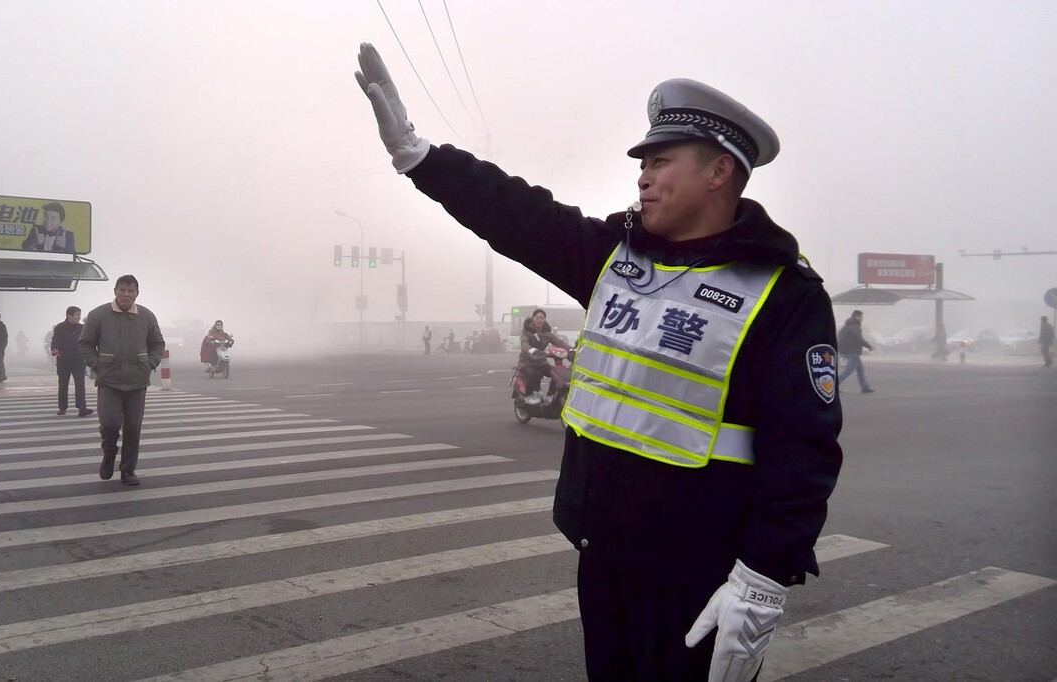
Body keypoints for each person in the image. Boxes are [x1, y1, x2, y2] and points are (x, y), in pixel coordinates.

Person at [355, 44, 843, 681]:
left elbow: (803, 449)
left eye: (661, 162)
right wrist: (419, 157)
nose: (643, 177)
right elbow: (518, 214)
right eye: (643, 163)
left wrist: (764, 577)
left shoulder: (783, 293)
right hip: (603, 552)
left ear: (719, 172)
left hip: (698, 573)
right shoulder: (616, 256)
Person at [78, 275, 165, 486]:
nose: (126, 294)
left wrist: (150, 363)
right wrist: (96, 364)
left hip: (137, 381)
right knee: (110, 424)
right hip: (109, 381)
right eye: (122, 290)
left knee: (133, 427)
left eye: (131, 290)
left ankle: (128, 470)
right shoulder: (99, 315)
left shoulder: (146, 316)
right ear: (115, 291)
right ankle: (109, 455)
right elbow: (85, 343)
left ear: (137, 293)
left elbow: (157, 344)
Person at [517, 308, 572, 405]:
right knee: (535, 374)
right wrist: (531, 350)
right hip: (527, 362)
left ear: (544, 320)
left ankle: (551, 394)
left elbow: (560, 343)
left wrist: (572, 349)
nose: (539, 320)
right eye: (537, 318)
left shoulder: (547, 333)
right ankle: (530, 395)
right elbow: (524, 344)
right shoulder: (526, 332)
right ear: (533, 319)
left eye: (541, 318)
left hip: (541, 361)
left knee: (556, 373)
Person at [52, 306, 94, 417]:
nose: (79, 317)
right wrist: (55, 349)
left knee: (80, 384)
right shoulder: (60, 328)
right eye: (77, 315)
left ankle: (82, 408)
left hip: (79, 360)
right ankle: (62, 407)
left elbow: (86, 342)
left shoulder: (82, 328)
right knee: (63, 384)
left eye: (80, 315)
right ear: (69, 315)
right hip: (63, 360)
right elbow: (55, 340)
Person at [837, 310, 874, 393]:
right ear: (856, 316)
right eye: (861, 316)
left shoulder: (847, 326)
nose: (862, 318)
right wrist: (869, 346)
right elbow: (859, 338)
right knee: (848, 370)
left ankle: (864, 387)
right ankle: (834, 385)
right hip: (853, 351)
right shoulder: (855, 326)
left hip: (849, 350)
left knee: (860, 369)